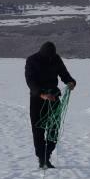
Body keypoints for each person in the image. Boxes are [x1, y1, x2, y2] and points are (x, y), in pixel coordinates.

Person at [25, 41, 76, 169]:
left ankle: (47, 155)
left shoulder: (56, 59)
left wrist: (70, 82)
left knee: (54, 130)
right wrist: (41, 94)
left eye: (52, 56)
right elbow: (30, 81)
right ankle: (42, 158)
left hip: (53, 99)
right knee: (38, 131)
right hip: (37, 100)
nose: (50, 58)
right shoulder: (32, 60)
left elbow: (64, 74)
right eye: (48, 57)